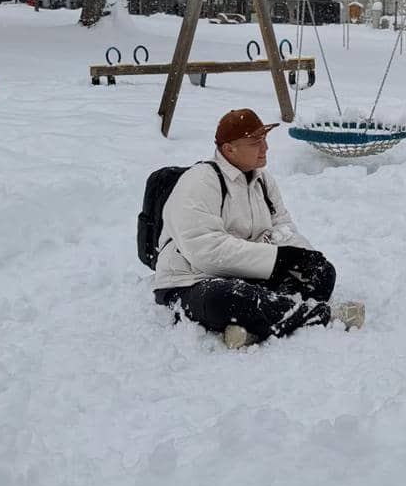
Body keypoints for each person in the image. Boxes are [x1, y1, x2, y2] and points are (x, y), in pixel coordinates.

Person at [154, 108, 361, 347]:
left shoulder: (262, 180)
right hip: (192, 281)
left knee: (321, 273)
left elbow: (282, 228)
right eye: (255, 143)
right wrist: (278, 259)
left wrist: (303, 256)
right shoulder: (200, 181)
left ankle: (253, 327)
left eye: (265, 140)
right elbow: (207, 253)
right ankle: (321, 316)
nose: (265, 148)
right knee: (229, 298)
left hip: (248, 273)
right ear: (229, 149)